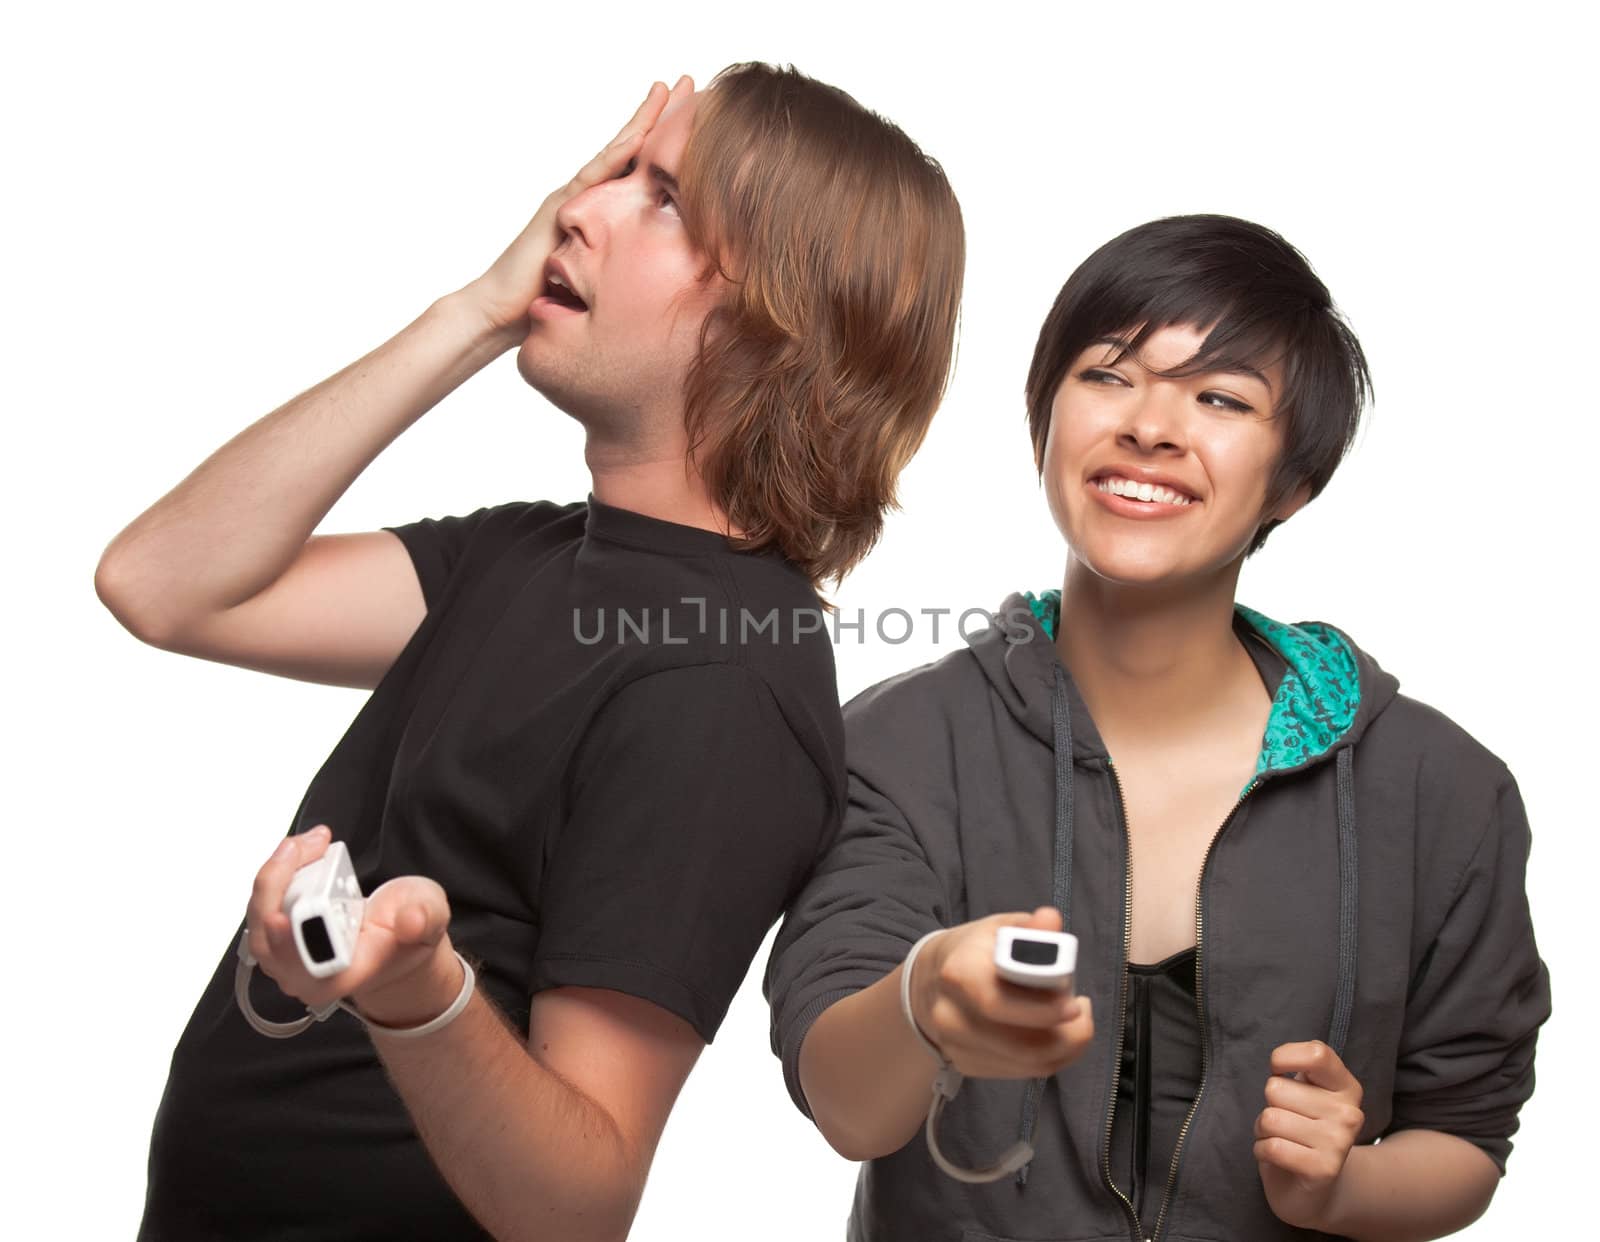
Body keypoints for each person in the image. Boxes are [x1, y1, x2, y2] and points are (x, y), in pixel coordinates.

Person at [94, 63, 963, 1241]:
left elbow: (576, 1203)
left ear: (775, 319)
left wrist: (420, 998)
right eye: (613, 177)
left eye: (660, 199)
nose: (580, 208)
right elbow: (166, 584)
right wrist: (475, 312)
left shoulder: (722, 683)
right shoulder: (524, 556)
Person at [765, 214, 1552, 1241]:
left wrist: (1340, 1188)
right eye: (1107, 375)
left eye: (1220, 398)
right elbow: (845, 1104)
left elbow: (1465, 1137)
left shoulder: (1435, 788)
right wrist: (923, 1001)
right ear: (1043, 418)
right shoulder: (901, 744)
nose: (1149, 426)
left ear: (1295, 482)